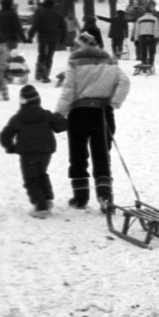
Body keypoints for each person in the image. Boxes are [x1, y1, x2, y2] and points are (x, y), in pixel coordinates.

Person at [54, 35, 131, 212]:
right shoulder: (109, 62)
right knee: (102, 155)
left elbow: (68, 91)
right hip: (102, 113)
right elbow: (124, 81)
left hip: (79, 113)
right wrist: (113, 103)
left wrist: (59, 113)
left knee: (78, 156)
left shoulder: (75, 63)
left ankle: (80, 197)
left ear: (78, 47)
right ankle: (105, 196)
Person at [0, 84, 67, 217]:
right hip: (46, 152)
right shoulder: (46, 115)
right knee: (42, 173)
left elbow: (4, 136)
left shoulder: (17, 118)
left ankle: (41, 207)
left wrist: (11, 148)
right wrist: (60, 117)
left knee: (31, 179)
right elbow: (61, 125)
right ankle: (47, 199)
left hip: (28, 153)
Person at [28, 0, 70, 82]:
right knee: (50, 56)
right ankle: (45, 76)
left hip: (42, 37)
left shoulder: (41, 14)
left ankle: (38, 73)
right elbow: (63, 27)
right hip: (53, 38)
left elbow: (35, 25)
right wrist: (63, 38)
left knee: (41, 54)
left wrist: (30, 36)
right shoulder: (58, 14)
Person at [131, 4, 159, 69]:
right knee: (151, 52)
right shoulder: (155, 19)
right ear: (151, 12)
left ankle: (144, 63)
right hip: (151, 37)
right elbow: (156, 29)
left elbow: (137, 30)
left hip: (142, 37)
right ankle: (150, 64)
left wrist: (136, 39)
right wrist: (156, 37)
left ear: (145, 11)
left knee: (143, 51)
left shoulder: (140, 19)